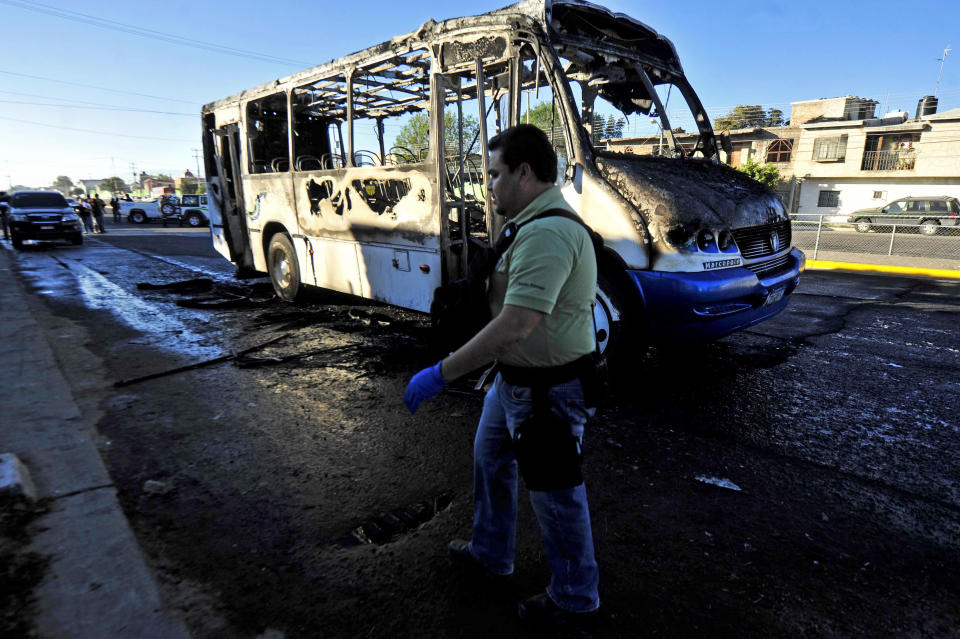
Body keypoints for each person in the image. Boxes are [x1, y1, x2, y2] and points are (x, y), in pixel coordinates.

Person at [404, 124, 600, 626]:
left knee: (556, 495)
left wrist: (442, 373)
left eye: (494, 174)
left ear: (524, 172)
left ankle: (575, 601)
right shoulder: (529, 223)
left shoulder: (550, 233)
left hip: (548, 392)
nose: (488, 185)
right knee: (490, 459)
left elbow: (515, 325)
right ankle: (492, 554)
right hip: (515, 382)